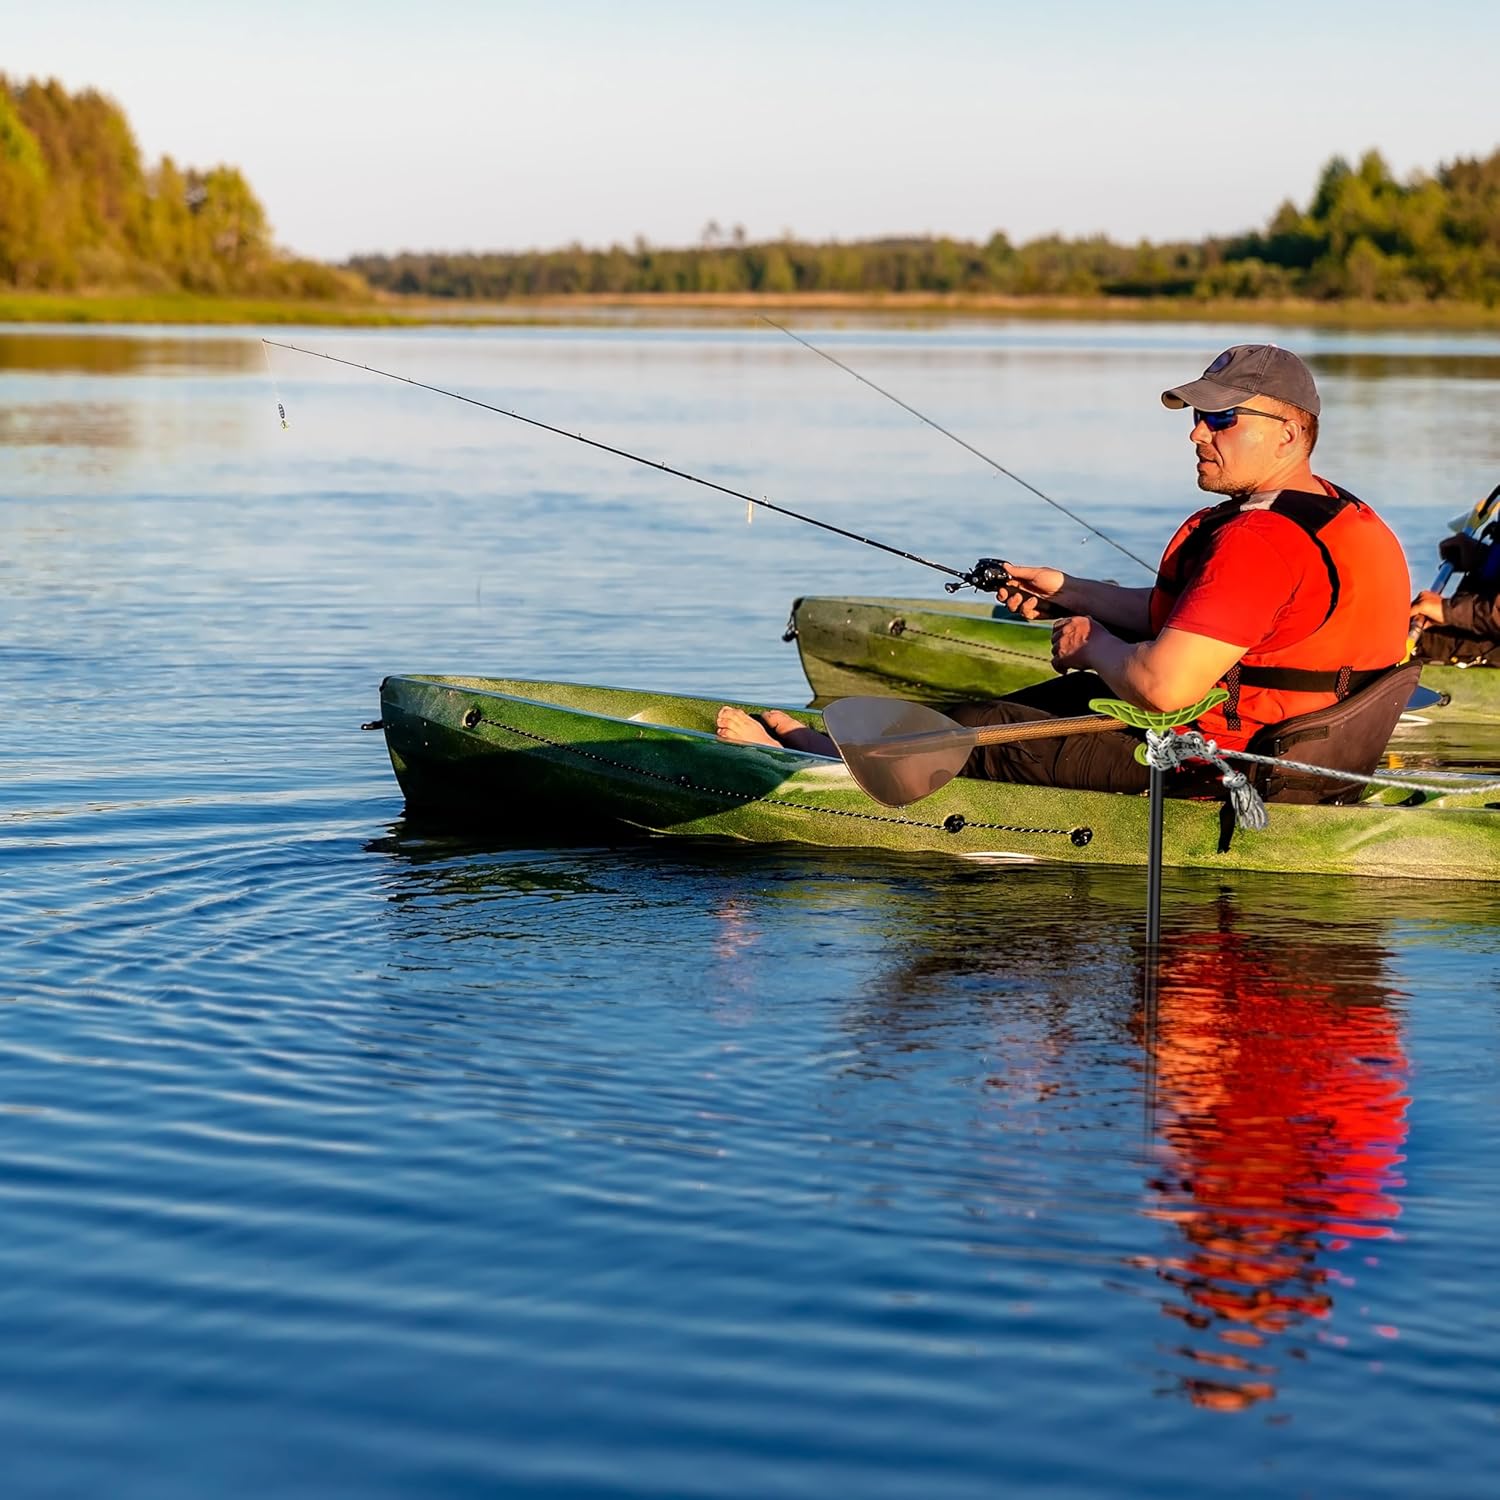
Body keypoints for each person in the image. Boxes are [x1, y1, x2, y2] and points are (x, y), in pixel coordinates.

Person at [717, 343, 1412, 794]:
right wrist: (1069, 591)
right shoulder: (1339, 515)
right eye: (1197, 417)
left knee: (988, 737)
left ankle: (811, 763)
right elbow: (1209, 626)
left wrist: (1091, 645)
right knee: (987, 713)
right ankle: (829, 744)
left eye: (1221, 419)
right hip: (1294, 755)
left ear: (1289, 432)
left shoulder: (1260, 541)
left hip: (1222, 762)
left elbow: (1164, 687)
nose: (1197, 432)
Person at [1409, 523, 1500, 665]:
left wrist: (1449, 611)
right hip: (1485, 619)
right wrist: (1483, 556)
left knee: (1391, 641)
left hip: (1490, 638)